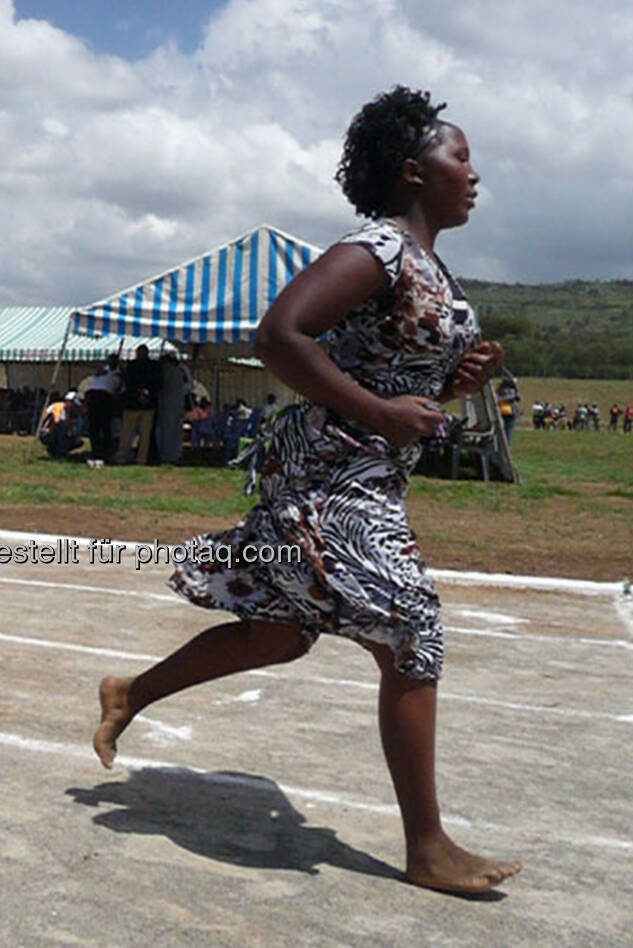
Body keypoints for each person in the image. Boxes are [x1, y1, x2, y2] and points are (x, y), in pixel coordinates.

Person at [92, 87, 519, 895]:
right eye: (458, 157)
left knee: (278, 634)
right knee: (411, 627)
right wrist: (378, 409)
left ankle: (129, 691)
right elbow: (278, 335)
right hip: (326, 476)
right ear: (412, 171)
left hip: (369, 475)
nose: (473, 173)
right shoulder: (377, 250)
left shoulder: (428, 264)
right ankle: (427, 846)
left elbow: (386, 373)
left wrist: (451, 383)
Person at [115, 344, 160, 465]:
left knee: (127, 433)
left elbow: (127, 382)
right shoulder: (154, 366)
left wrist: (137, 393)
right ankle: (141, 459)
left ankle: (122, 457)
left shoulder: (131, 366)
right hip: (148, 404)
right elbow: (158, 383)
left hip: (132, 404)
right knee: (144, 435)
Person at [82, 355, 122, 462]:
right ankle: (99, 452)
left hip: (99, 395)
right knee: (99, 427)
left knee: (101, 427)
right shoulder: (107, 372)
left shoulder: (112, 373)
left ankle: (102, 452)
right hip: (99, 396)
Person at [37, 391, 83, 458]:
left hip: (57, 432)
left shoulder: (68, 412)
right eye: (73, 404)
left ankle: (55, 450)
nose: (74, 407)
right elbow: (56, 422)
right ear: (68, 402)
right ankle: (60, 452)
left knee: (77, 441)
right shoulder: (58, 406)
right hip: (46, 432)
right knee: (61, 425)